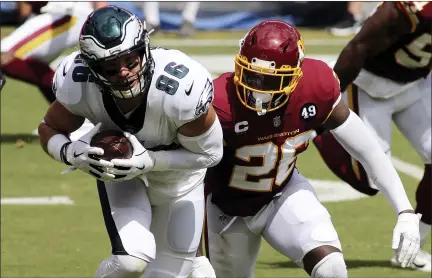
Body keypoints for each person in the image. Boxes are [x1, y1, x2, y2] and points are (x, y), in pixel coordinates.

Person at [203, 20, 421, 278]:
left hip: (282, 193)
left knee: (332, 268)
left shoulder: (315, 84)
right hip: (227, 210)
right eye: (252, 76)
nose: (257, 90)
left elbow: (367, 149)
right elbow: (188, 178)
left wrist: (405, 211)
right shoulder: (217, 102)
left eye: (271, 81)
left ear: (296, 75)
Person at [37, 6, 221, 278]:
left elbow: (212, 154)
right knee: (130, 262)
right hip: (122, 177)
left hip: (180, 180)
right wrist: (69, 152)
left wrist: (151, 161)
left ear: (144, 51)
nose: (123, 73)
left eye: (130, 62)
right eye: (110, 68)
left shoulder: (180, 88)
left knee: (181, 273)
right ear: (92, 67)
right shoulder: (79, 82)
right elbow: (49, 128)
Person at [313, 1, 432, 272]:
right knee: (371, 179)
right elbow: (359, 46)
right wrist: (323, 108)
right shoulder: (408, 8)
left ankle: (412, 248)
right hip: (368, 87)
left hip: (417, 85)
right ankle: (322, 129)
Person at [1, 1, 94, 104]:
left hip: (67, 13)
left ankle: (81, 107)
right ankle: (73, 112)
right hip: (61, 13)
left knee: (4, 54)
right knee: (37, 69)